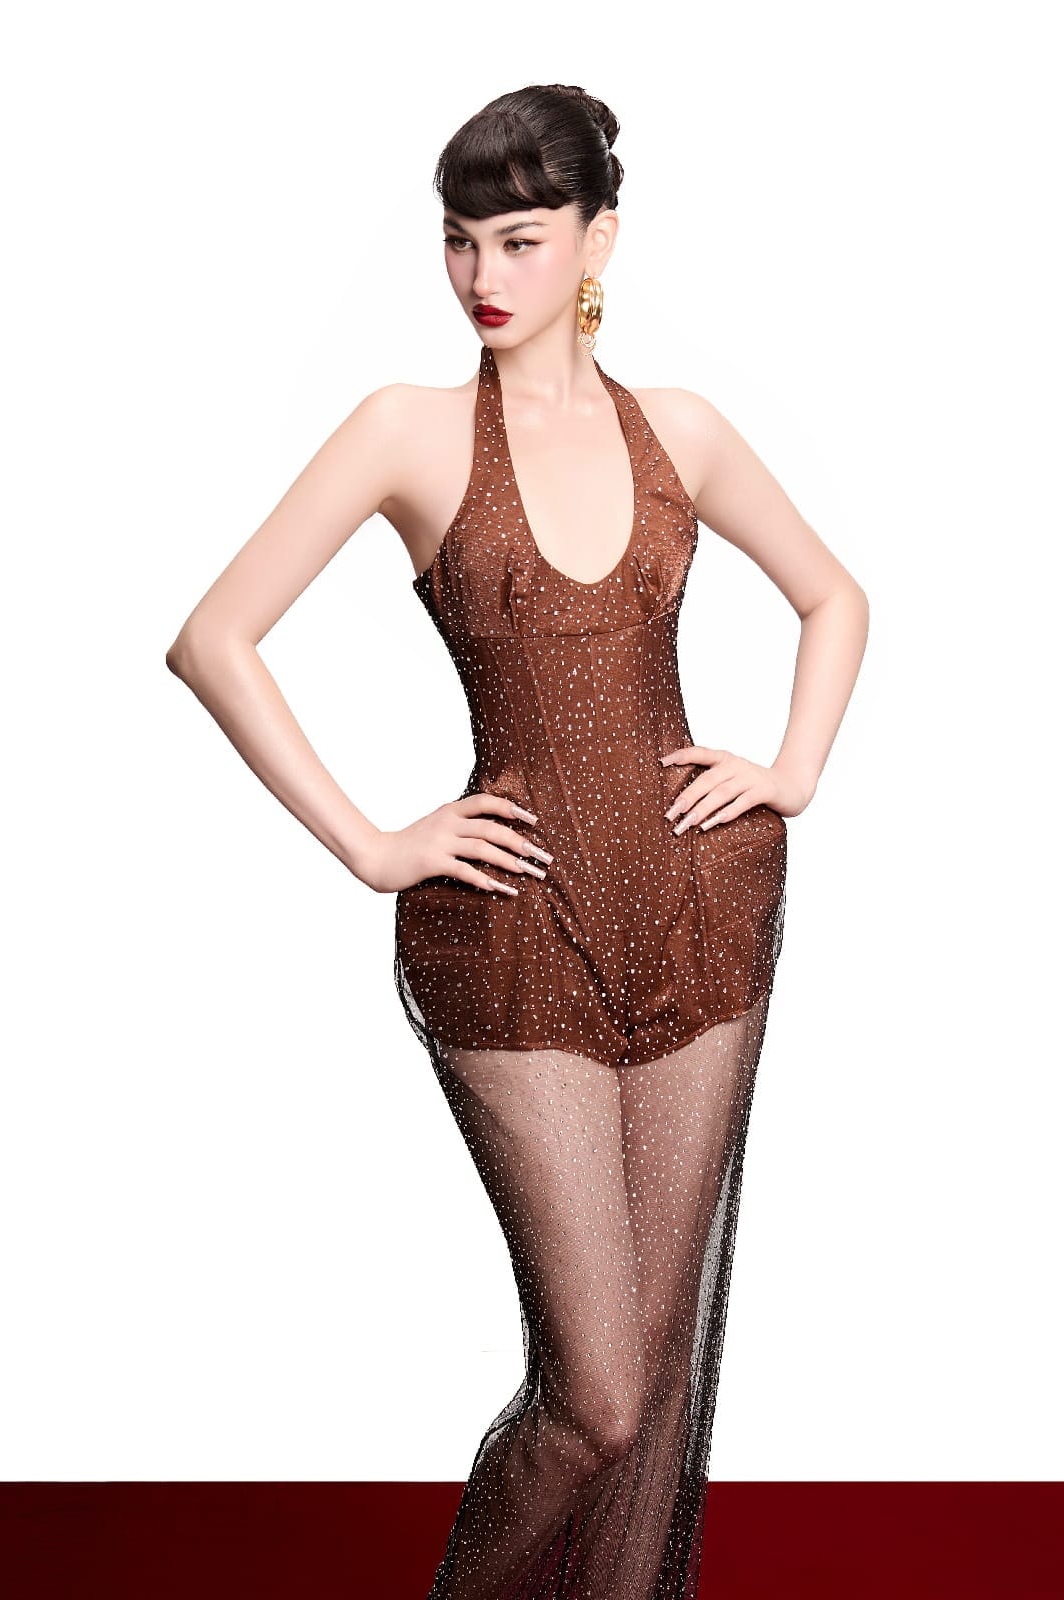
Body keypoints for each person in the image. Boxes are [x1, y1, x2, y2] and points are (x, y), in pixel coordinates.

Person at [167, 82, 868, 1600]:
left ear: (598, 240)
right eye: (459, 239)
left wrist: (791, 772)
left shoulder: (680, 430)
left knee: (659, 1386)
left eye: (521, 239)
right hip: (512, 928)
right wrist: (372, 843)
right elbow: (213, 638)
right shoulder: (408, 432)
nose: (482, 275)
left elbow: (837, 597)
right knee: (596, 1393)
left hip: (699, 908)